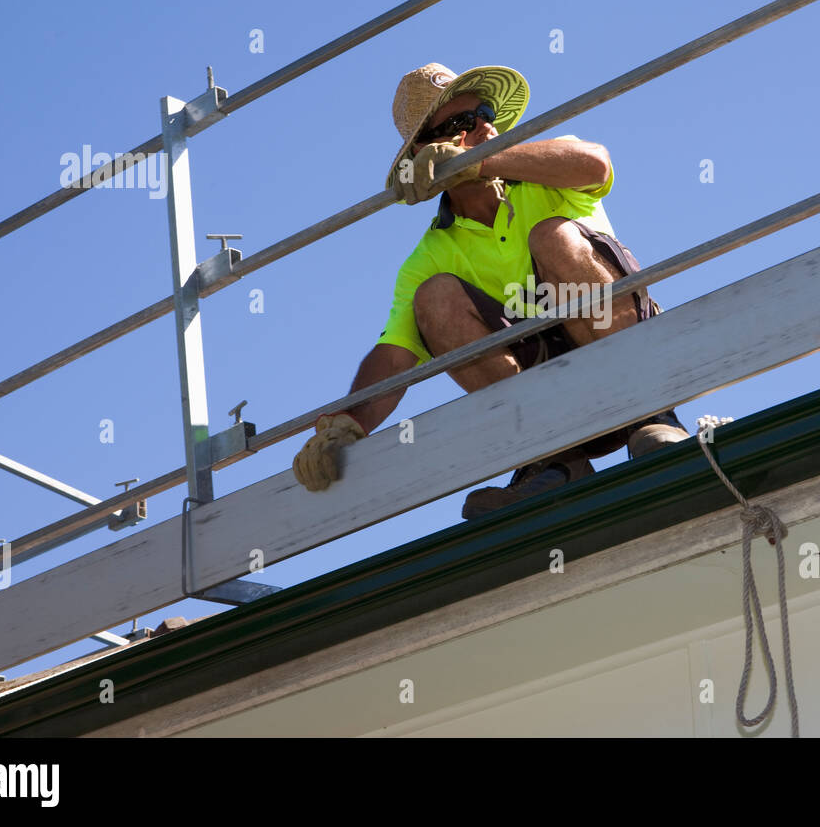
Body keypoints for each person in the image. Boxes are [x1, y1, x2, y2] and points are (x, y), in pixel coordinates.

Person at [292, 63, 688, 518]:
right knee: (433, 298)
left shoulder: (546, 180)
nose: (484, 126)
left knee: (552, 236)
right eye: (462, 123)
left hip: (634, 365)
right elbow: (396, 356)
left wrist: (479, 161)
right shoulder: (430, 257)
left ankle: (653, 418)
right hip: (556, 407)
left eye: (484, 112)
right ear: (424, 150)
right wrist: (345, 424)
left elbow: (595, 163)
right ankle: (552, 460)